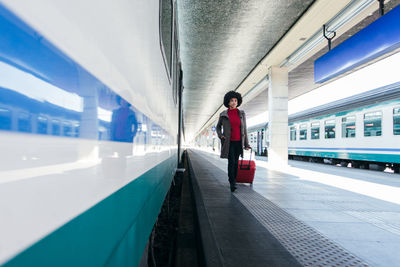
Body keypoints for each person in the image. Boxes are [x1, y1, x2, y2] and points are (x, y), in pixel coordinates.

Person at [216, 91, 250, 192]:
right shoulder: (223, 114)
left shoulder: (242, 113)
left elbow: (245, 130)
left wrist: (246, 144)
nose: (234, 102)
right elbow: (218, 127)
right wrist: (221, 135)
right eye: (231, 101)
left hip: (239, 142)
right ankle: (232, 182)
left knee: (236, 163)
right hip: (228, 142)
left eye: (235, 100)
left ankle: (234, 179)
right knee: (231, 162)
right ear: (228, 102)